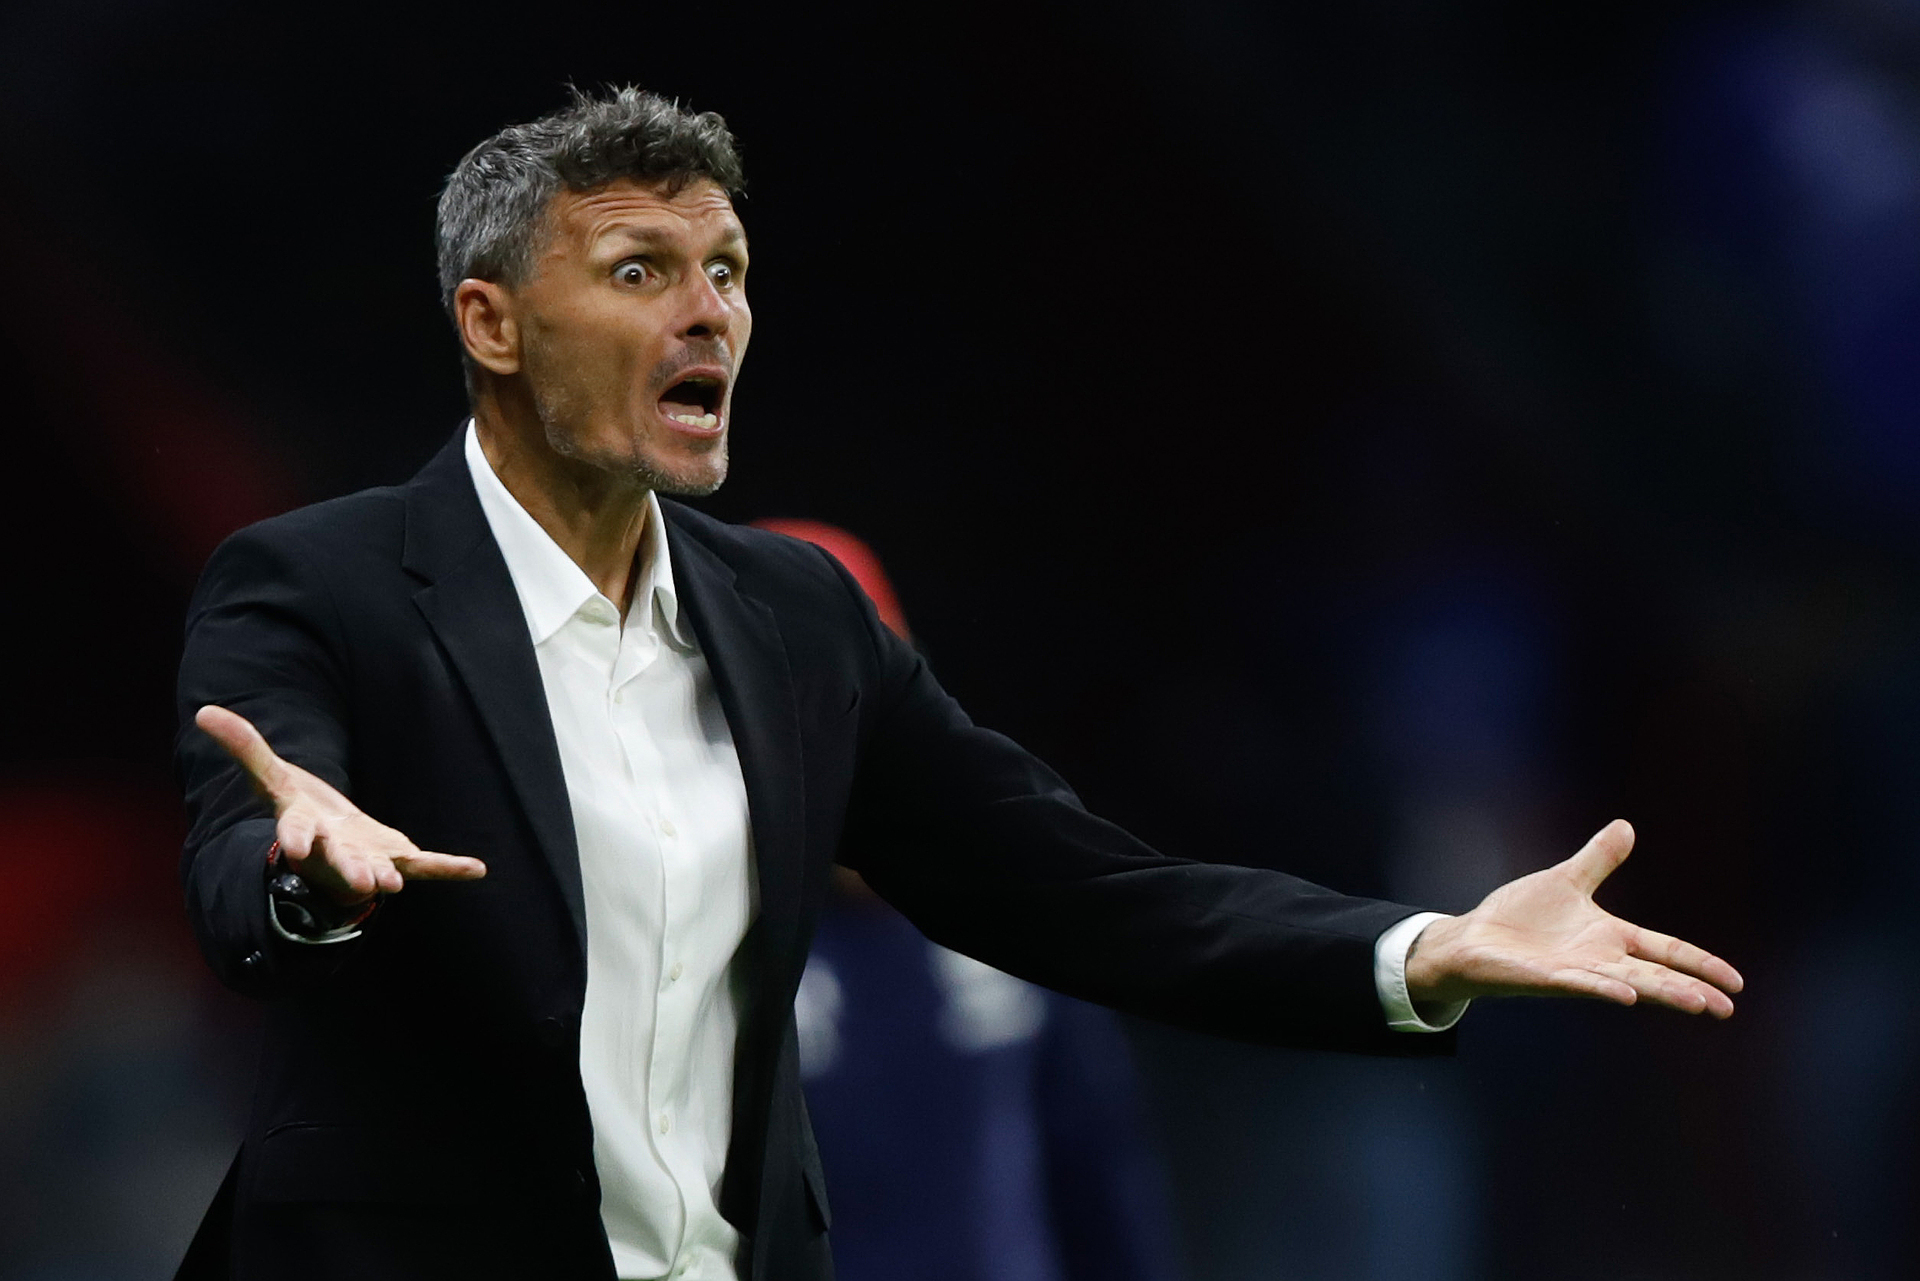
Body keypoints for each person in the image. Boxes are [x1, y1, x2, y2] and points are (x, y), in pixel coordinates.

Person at [173, 88, 1743, 1281]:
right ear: (493, 324)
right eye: (641, 270)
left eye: (726, 270)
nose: (706, 311)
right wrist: (311, 881)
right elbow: (247, 854)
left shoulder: (794, 620)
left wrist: (1418, 947)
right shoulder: (319, 581)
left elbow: (1085, 893)